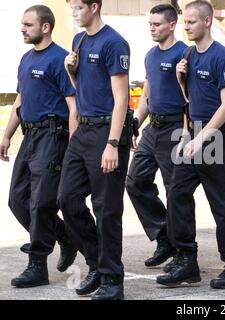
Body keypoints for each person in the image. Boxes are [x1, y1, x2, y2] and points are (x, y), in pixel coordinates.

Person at [156, 0, 225, 289]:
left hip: (220, 137)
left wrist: (200, 137)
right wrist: (186, 134)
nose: (187, 26)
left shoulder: (223, 57)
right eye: (185, 22)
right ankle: (186, 260)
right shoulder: (188, 55)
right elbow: (190, 101)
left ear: (207, 22)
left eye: (192, 22)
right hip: (193, 136)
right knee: (177, 194)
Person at [0, 5, 77, 288]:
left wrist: (73, 145)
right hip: (29, 136)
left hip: (52, 135)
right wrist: (7, 135)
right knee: (17, 200)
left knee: (41, 202)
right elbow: (20, 101)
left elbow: (73, 107)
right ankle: (65, 236)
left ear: (45, 27)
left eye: (28, 24)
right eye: (22, 24)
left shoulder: (60, 59)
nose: (22, 28)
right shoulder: (25, 59)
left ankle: (37, 265)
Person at [60, 0, 131, 300]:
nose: (73, 13)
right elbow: (84, 88)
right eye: (71, 8)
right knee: (67, 199)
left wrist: (113, 144)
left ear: (94, 6)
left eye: (77, 7)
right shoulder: (78, 40)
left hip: (106, 131)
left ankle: (113, 279)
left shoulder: (114, 42)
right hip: (83, 129)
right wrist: (72, 71)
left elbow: (121, 98)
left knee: (107, 209)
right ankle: (95, 262)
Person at [125, 4, 186, 269]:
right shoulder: (150, 55)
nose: (152, 28)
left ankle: (183, 250)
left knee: (176, 191)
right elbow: (147, 95)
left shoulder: (185, 54)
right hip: (153, 128)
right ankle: (164, 236)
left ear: (172, 25)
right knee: (135, 182)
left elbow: (190, 98)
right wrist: (135, 123)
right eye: (150, 24)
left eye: (157, 24)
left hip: (175, 128)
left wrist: (187, 131)